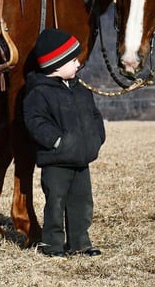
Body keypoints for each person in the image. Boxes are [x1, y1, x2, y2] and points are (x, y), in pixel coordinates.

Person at [23, 28, 106, 258]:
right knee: (56, 204)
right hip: (56, 161)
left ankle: (80, 243)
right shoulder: (39, 93)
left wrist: (97, 137)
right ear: (56, 65)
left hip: (81, 159)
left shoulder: (80, 90)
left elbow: (95, 116)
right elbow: (35, 122)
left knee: (82, 204)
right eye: (73, 60)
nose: (78, 64)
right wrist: (58, 141)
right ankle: (53, 245)